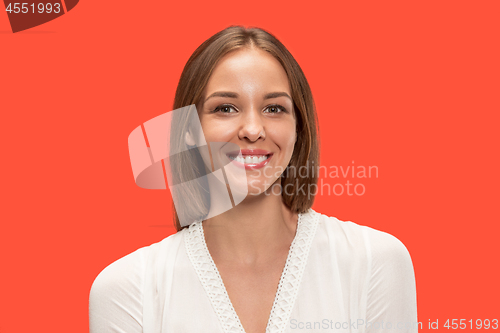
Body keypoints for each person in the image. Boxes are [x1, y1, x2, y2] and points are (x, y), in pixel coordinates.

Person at [89, 26, 418, 333]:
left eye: (274, 109)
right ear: (189, 131)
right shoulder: (127, 286)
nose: (251, 130)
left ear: (297, 128)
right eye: (226, 108)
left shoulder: (375, 261)